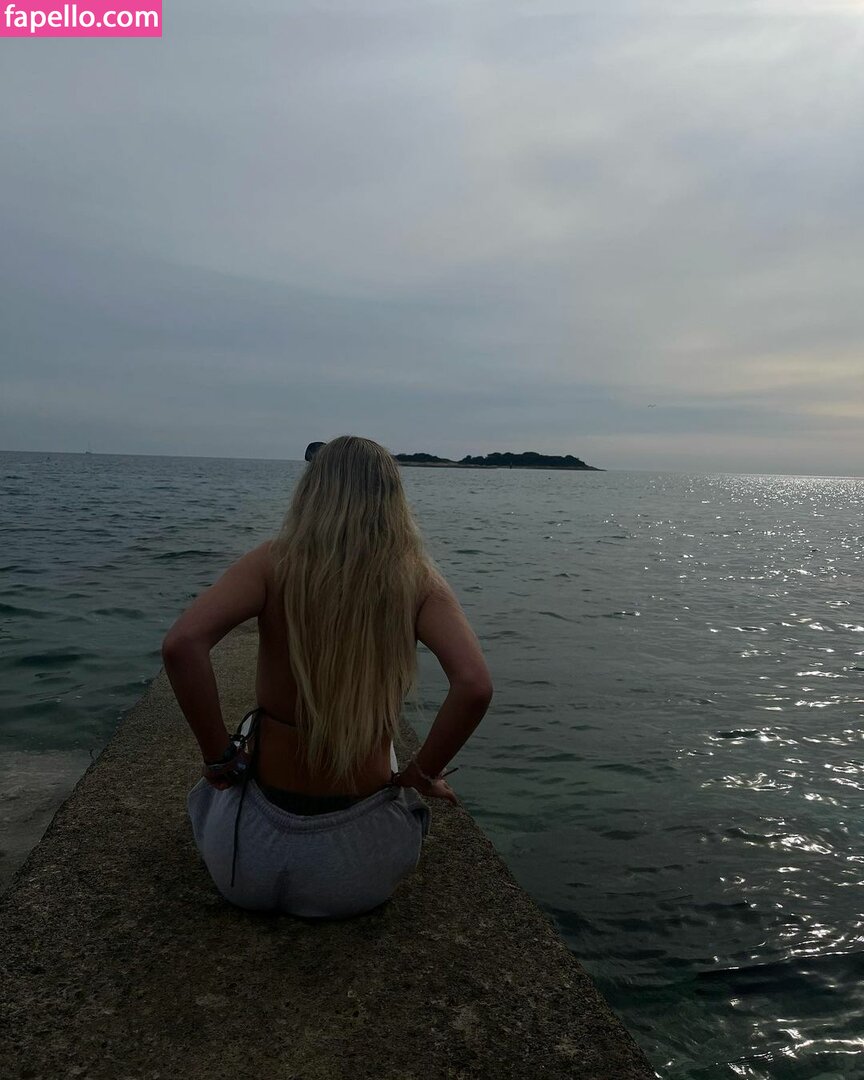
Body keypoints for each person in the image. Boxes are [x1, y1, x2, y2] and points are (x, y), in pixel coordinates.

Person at [162, 435, 493, 919]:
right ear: (393, 499)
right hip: (358, 874)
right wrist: (421, 775)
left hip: (244, 864)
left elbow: (182, 644)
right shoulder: (418, 580)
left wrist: (218, 757)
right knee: (387, 756)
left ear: (311, 490)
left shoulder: (272, 562)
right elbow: (475, 685)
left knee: (237, 753)